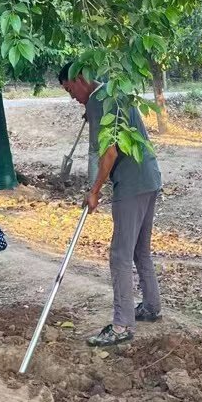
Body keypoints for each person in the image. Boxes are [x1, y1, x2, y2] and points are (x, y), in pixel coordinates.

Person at [58, 66, 163, 347]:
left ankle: (121, 325)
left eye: (70, 89)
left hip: (131, 184)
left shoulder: (97, 101)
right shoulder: (112, 90)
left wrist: (94, 190)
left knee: (120, 254)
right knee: (140, 250)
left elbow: (109, 151)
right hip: (150, 177)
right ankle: (151, 307)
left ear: (80, 79)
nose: (72, 97)